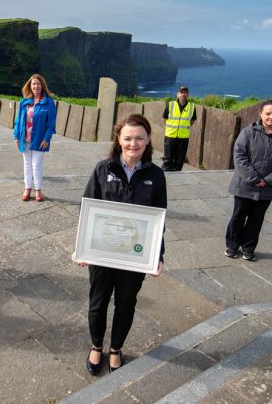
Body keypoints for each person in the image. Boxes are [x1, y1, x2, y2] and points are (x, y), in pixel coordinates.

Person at [79, 114, 166, 375]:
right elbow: (87, 209)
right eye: (127, 138)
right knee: (98, 301)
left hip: (134, 256)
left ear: (148, 139)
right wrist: (82, 246)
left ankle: (115, 348)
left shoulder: (156, 175)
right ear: (118, 138)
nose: (133, 143)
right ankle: (96, 346)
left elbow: (159, 217)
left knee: (126, 303)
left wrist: (157, 255)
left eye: (139, 138)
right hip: (102, 252)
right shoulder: (102, 169)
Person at [225, 100, 272, 261]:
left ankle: (248, 248)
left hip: (268, 188)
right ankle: (232, 245)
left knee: (256, 219)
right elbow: (239, 156)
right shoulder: (248, 133)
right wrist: (253, 178)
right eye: (268, 113)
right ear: (261, 114)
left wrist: (268, 180)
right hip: (244, 185)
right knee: (238, 216)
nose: (271, 117)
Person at [13, 74, 57, 202]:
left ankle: (38, 189)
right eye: (33, 84)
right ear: (30, 86)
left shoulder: (48, 102)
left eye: (38, 84)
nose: (36, 86)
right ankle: (27, 188)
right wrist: (16, 136)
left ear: (42, 85)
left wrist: (46, 139)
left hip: (39, 139)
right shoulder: (24, 101)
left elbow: (51, 124)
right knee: (27, 164)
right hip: (24, 138)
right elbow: (17, 121)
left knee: (36, 165)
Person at [161, 85, 196, 171]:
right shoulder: (171, 105)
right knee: (168, 158)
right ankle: (165, 175)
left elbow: (192, 121)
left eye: (185, 92)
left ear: (188, 95)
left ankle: (176, 174)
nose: (183, 94)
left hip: (183, 137)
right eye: (181, 92)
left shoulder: (192, 107)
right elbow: (164, 118)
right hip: (170, 135)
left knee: (179, 160)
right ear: (177, 94)